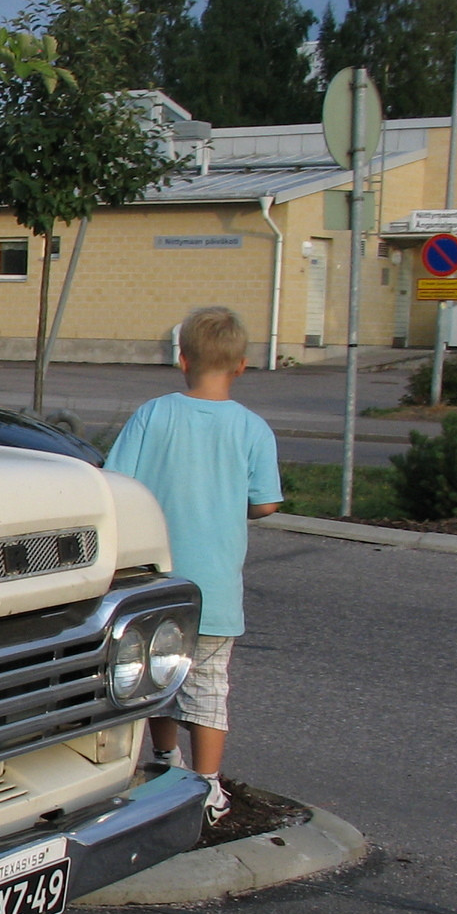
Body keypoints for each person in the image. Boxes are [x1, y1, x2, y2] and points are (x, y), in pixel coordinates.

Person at [103, 305, 282, 827]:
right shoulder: (252, 428)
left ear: (182, 359)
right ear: (242, 365)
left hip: (154, 580)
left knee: (154, 674)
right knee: (208, 688)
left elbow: (118, 481)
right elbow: (266, 502)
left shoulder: (154, 414)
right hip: (215, 588)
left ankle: (164, 763)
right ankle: (207, 785)